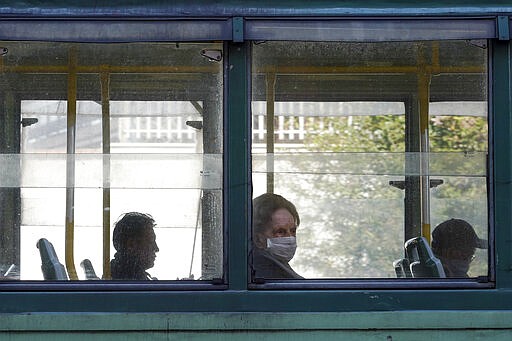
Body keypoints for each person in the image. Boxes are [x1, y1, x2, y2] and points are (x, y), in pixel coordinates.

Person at [251, 193, 303, 279]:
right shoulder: (263, 271)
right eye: (280, 232)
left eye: (293, 231)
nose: (290, 238)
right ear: (258, 239)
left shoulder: (279, 265)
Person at [110, 212, 159, 280]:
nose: (156, 249)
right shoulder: (130, 282)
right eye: (150, 242)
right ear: (131, 245)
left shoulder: (115, 276)